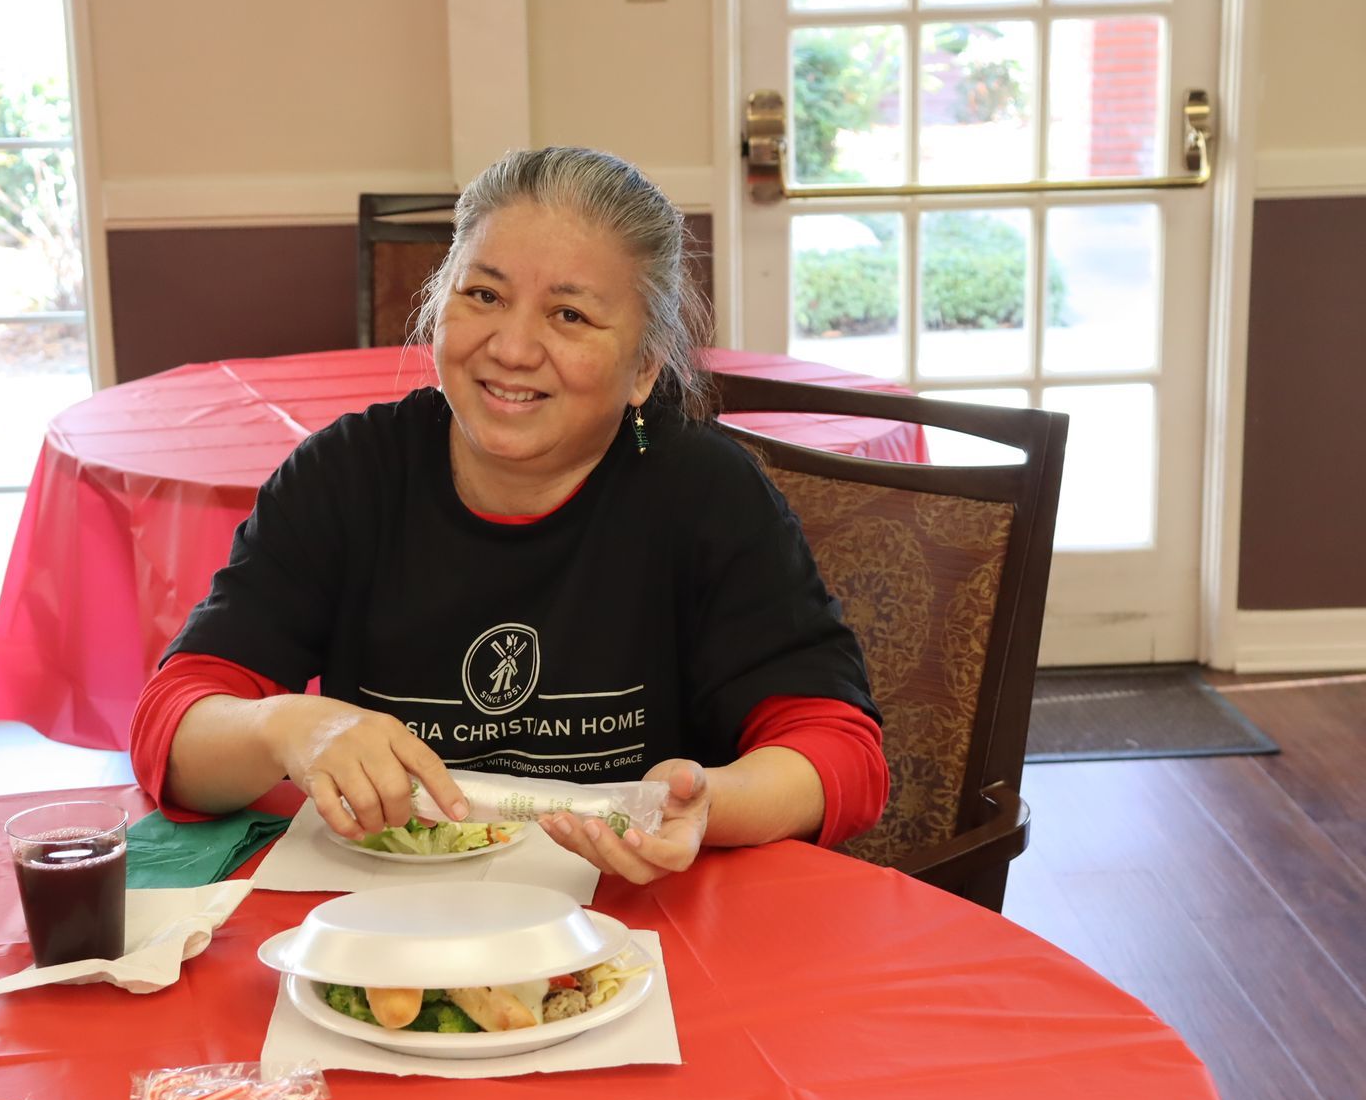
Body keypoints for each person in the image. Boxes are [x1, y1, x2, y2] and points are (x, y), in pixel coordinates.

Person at [129, 146, 887, 885]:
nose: (513, 348)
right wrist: (287, 727)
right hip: (386, 923)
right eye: (483, 296)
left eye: (570, 314)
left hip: (637, 925)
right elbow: (172, 732)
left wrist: (707, 805)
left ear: (645, 368)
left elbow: (840, 752)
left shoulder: (704, 493)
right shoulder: (346, 476)